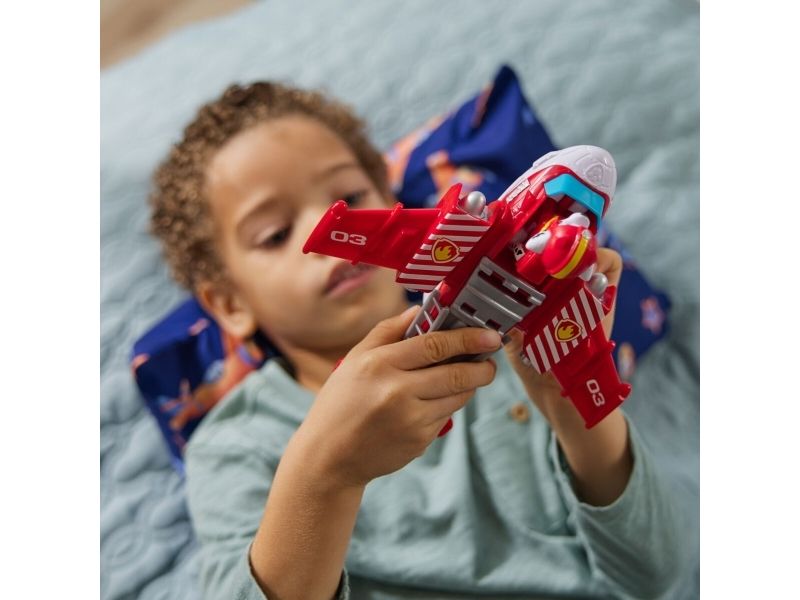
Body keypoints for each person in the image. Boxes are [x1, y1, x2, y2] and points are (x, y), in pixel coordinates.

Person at [149, 82, 686, 600]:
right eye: (274, 234)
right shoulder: (236, 442)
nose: (318, 225)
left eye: (350, 196)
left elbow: (657, 577)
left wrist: (569, 406)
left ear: (389, 197)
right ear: (229, 304)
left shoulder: (516, 360)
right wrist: (324, 475)